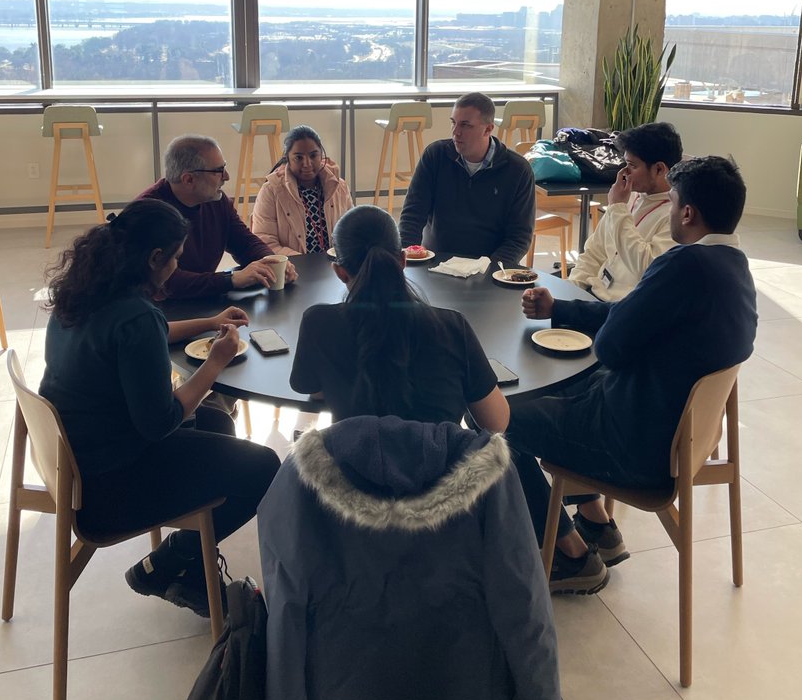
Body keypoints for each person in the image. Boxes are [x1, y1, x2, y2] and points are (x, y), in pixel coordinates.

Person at [506, 156, 758, 595]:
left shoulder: (682, 265)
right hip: (676, 434)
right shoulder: (734, 268)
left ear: (687, 213)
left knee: (496, 419)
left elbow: (611, 345)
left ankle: (570, 555)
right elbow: (632, 316)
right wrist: (560, 310)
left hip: (634, 446)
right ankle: (595, 523)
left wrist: (612, 334)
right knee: (557, 390)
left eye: (672, 199)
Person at [40, 199, 281, 617]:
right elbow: (163, 421)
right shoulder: (136, 317)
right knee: (265, 466)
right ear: (155, 258)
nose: (176, 267)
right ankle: (164, 563)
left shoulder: (84, 294)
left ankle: (190, 561)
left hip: (75, 460)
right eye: (175, 258)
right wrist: (216, 362)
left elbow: (150, 332)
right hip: (107, 491)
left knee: (217, 420)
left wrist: (210, 321)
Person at [290, 205, 510, 432]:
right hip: (443, 465)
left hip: (355, 464)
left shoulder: (318, 323)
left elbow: (314, 391)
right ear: (403, 260)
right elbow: (497, 422)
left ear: (339, 271)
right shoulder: (451, 327)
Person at [136, 134, 297, 298]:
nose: (226, 176)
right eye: (218, 171)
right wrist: (230, 280)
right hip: (158, 312)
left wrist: (272, 261)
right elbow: (165, 283)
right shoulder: (148, 214)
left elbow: (245, 242)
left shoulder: (216, 200)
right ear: (189, 179)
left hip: (202, 301)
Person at [399, 93, 535, 265]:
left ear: (488, 129)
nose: (456, 132)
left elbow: (519, 237)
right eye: (453, 122)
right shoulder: (435, 156)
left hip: (487, 269)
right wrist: (406, 261)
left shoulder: (518, 170)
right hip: (435, 264)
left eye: (465, 125)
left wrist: (488, 270)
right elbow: (412, 215)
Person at [568, 121, 683, 301]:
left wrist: (617, 208)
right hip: (593, 296)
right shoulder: (629, 196)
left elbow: (647, 266)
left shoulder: (677, 215)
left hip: (623, 309)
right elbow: (594, 251)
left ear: (659, 169)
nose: (624, 172)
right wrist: (571, 290)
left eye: (632, 166)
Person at [252, 125, 353, 256]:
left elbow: (353, 230)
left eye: (313, 155)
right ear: (287, 158)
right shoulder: (271, 190)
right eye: (298, 158)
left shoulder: (339, 187)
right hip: (292, 269)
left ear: (321, 155)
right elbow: (264, 241)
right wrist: (302, 263)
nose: (307, 164)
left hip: (333, 267)